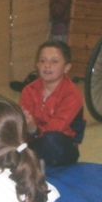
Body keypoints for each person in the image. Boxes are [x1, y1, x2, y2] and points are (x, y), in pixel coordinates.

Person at [19, 40, 85, 168]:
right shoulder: (29, 90)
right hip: (33, 141)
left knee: (51, 140)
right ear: (37, 64)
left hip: (61, 146)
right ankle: (29, 158)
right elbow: (21, 122)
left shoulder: (72, 94)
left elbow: (56, 128)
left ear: (66, 67)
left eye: (54, 62)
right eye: (42, 61)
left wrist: (34, 130)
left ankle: (28, 158)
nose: (47, 66)